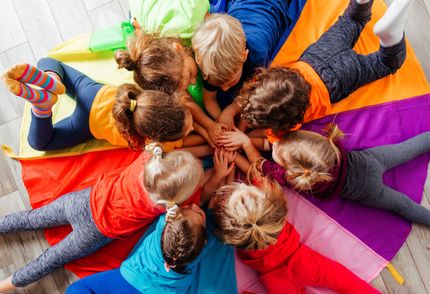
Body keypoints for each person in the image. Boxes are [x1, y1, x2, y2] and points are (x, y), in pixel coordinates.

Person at [0, 145, 212, 292]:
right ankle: (5, 286)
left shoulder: (146, 159)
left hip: (81, 202)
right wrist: (214, 165)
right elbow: (200, 199)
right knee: (50, 260)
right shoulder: (166, 208)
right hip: (93, 233)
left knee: (30, 219)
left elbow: (170, 157)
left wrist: (196, 153)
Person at [226, 0, 410, 143]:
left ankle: (391, 37)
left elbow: (273, 140)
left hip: (339, 78)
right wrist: (241, 125)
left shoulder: (288, 122)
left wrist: (245, 138)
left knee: (384, 63)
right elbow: (255, 98)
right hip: (316, 55)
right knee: (350, 20)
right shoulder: (278, 77)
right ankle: (361, 4)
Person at [64, 147, 237, 294]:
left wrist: (218, 171)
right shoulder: (205, 246)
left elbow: (204, 201)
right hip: (156, 289)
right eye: (196, 211)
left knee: (77, 289)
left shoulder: (164, 224)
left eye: (192, 209)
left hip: (130, 279)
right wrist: (225, 173)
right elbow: (218, 201)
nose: (195, 206)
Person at [2, 34, 208, 152]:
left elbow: (185, 109)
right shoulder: (157, 143)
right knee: (40, 143)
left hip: (95, 93)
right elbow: (187, 143)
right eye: (188, 130)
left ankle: (52, 80)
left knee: (50, 62)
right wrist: (208, 140)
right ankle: (42, 108)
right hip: (87, 124)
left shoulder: (153, 100)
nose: (191, 130)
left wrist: (207, 128)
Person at [218, 125, 430, 227]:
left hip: (368, 191)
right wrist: (247, 140)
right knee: (407, 149)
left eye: (277, 153)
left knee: (401, 204)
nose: (274, 146)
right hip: (371, 161)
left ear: (295, 172)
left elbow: (261, 165)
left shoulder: (293, 179)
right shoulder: (323, 146)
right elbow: (279, 149)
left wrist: (245, 142)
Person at [212, 180, 380, 293]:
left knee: (341, 279)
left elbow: (219, 209)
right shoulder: (272, 210)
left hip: (274, 280)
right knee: (344, 280)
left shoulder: (234, 230)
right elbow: (259, 178)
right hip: (301, 260)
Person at [192, 0, 290, 130]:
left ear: (244, 56)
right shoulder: (211, 66)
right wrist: (221, 121)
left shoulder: (258, 54)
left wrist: (232, 112)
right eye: (219, 84)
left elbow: (253, 91)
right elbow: (209, 100)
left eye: (231, 82)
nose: (225, 89)